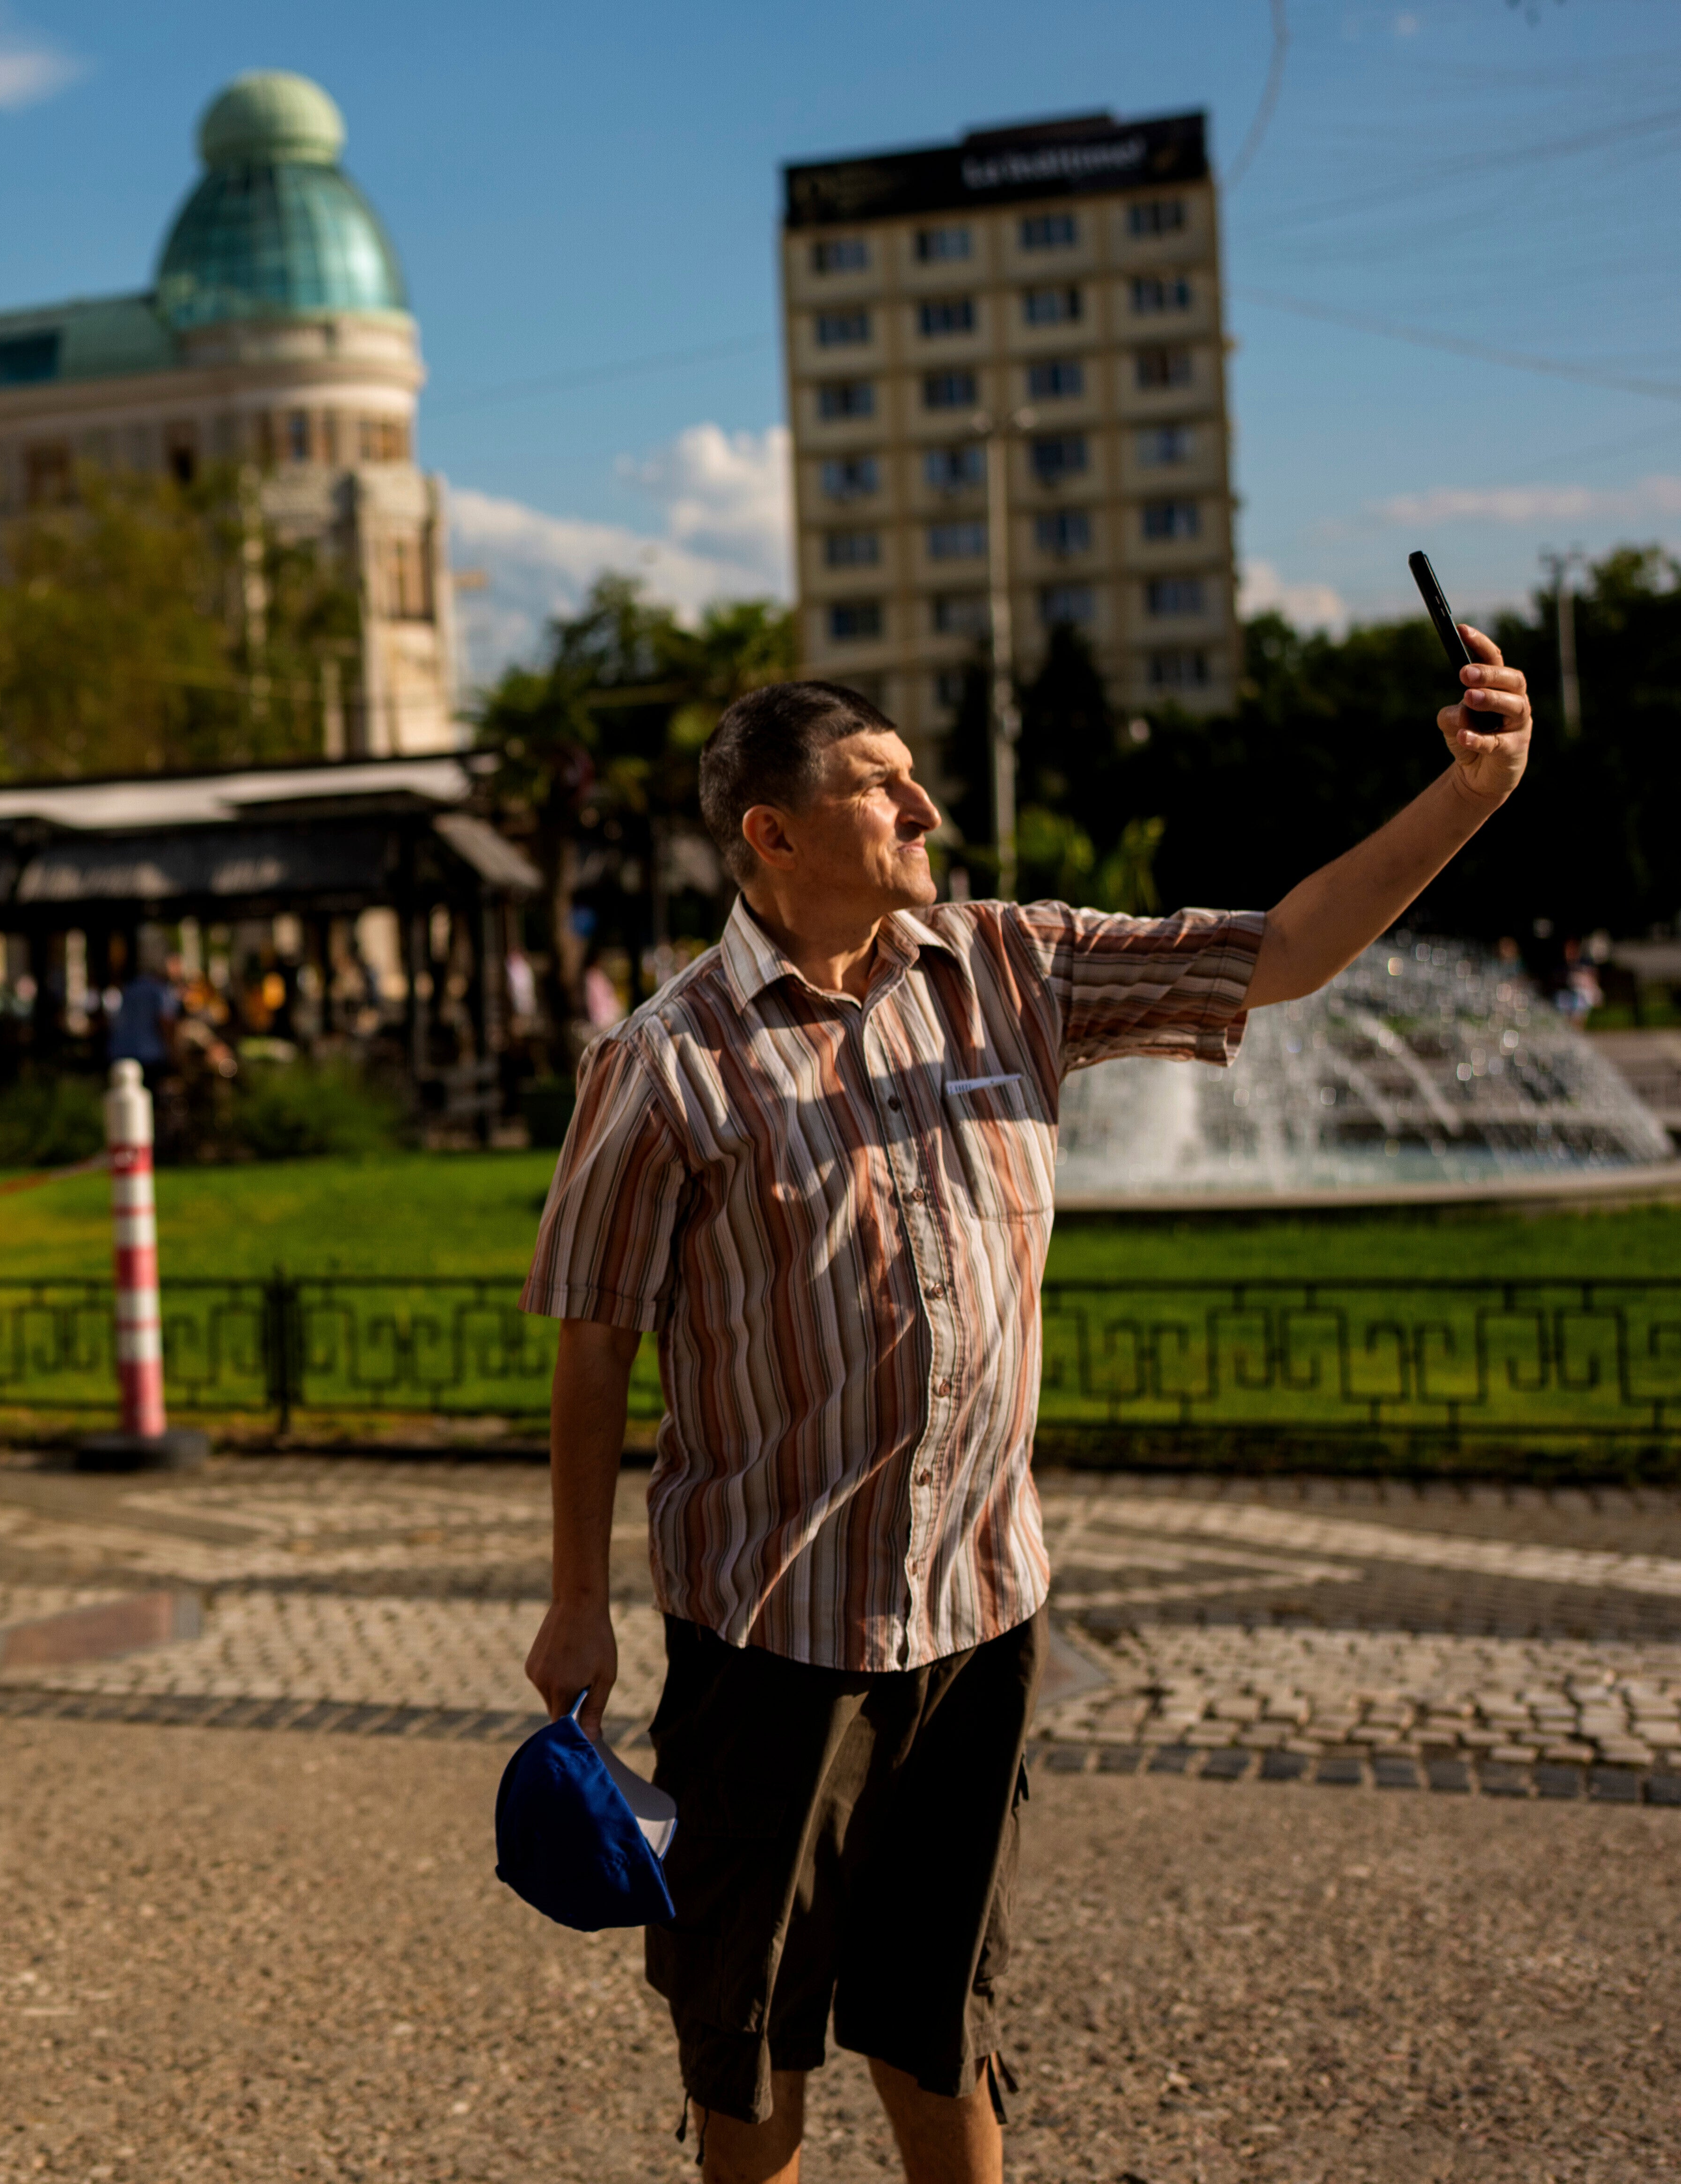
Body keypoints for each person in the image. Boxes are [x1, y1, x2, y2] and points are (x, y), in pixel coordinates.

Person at [521, 638, 1533, 2184]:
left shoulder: (1012, 966)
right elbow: (593, 1342)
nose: (926, 807)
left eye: (914, 777)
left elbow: (1283, 950)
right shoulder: (664, 1061)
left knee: (941, 2020)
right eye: (880, 787)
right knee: (749, 2031)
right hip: (772, 1633)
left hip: (980, 1614)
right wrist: (576, 1602)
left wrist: (1469, 794)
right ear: (772, 836)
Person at [109, 952, 182, 1083]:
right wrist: (174, 1054)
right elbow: (166, 1023)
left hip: (121, 1053)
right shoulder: (160, 991)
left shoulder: (131, 987)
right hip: (149, 1056)